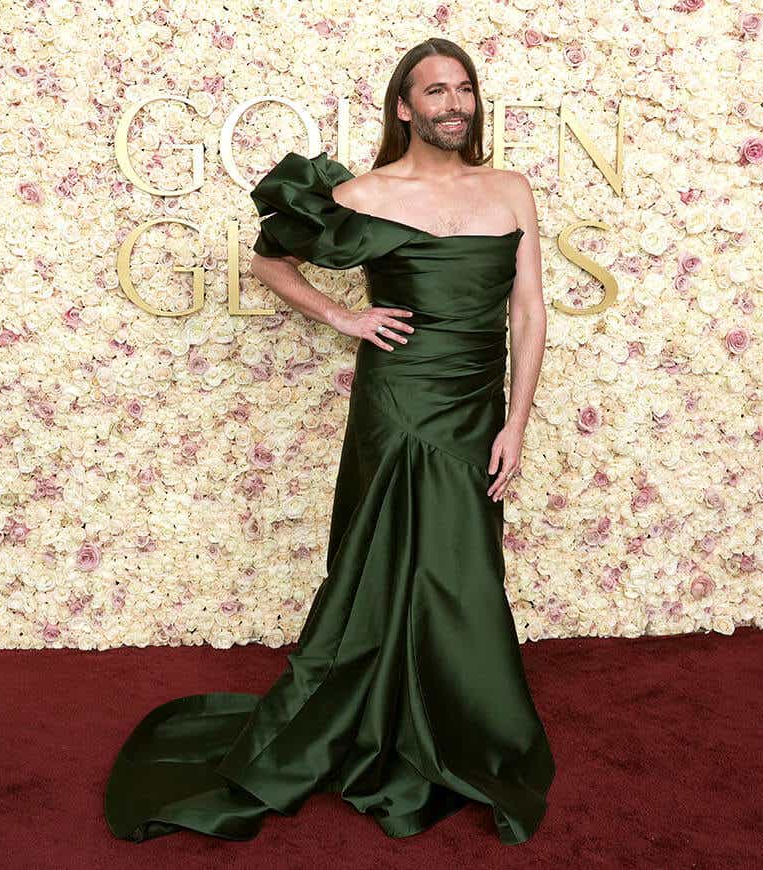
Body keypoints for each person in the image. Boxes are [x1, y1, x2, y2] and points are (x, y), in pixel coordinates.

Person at [103, 37, 554, 846]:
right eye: (435, 92)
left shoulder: (511, 189)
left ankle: (454, 726)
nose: (453, 104)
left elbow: (528, 313)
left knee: (463, 565)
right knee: (383, 566)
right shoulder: (367, 192)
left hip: (477, 407)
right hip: (401, 404)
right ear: (403, 107)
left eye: (464, 90)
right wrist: (344, 316)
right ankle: (378, 724)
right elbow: (269, 259)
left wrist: (517, 420)